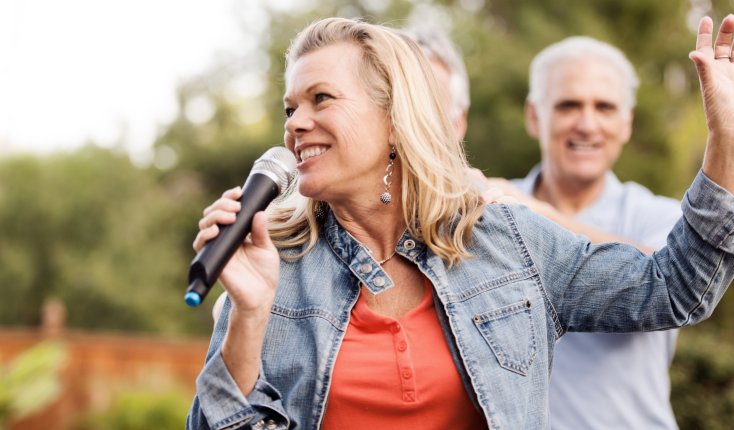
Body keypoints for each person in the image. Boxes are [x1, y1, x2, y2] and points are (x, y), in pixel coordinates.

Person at [186, 15, 734, 429]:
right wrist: (250, 314)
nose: (296, 124)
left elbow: (675, 288)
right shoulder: (271, 264)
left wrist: (725, 141)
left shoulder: (507, 243)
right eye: (290, 108)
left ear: (394, 119)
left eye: (320, 99)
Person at [506, 37, 681, 429]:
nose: (587, 123)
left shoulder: (660, 216)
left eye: (604, 107)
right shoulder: (490, 210)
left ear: (626, 122)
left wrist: (536, 217)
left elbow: (669, 279)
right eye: (568, 105)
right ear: (535, 116)